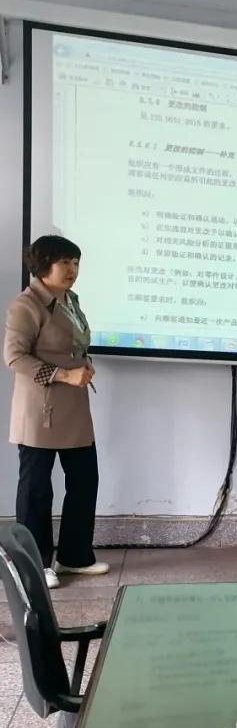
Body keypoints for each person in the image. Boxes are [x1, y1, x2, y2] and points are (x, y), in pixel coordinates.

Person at [4, 235, 109, 590]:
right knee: (36, 488)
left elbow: (74, 345)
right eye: (64, 262)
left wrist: (84, 365)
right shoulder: (26, 305)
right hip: (41, 409)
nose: (72, 269)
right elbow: (14, 357)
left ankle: (74, 556)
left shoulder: (70, 301)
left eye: (75, 262)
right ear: (43, 264)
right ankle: (34, 565)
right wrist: (63, 374)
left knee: (85, 480)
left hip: (74, 407)